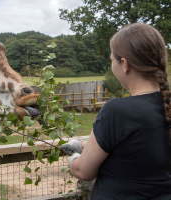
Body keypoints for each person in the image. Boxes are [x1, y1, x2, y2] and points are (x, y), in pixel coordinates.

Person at [60, 23, 171, 199]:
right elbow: (139, 147)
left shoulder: (117, 111)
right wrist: (82, 145)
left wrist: (73, 159)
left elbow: (83, 172)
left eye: (112, 60)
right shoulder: (165, 107)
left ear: (124, 64)